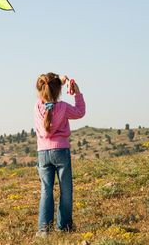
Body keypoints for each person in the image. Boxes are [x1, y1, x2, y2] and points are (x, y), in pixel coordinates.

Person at [34, 72, 86, 236]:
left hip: (43, 153)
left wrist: (58, 84)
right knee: (65, 190)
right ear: (57, 90)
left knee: (46, 190)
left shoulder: (37, 107)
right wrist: (77, 93)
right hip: (61, 151)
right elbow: (79, 112)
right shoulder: (63, 107)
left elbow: (48, 96)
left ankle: (43, 230)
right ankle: (64, 227)